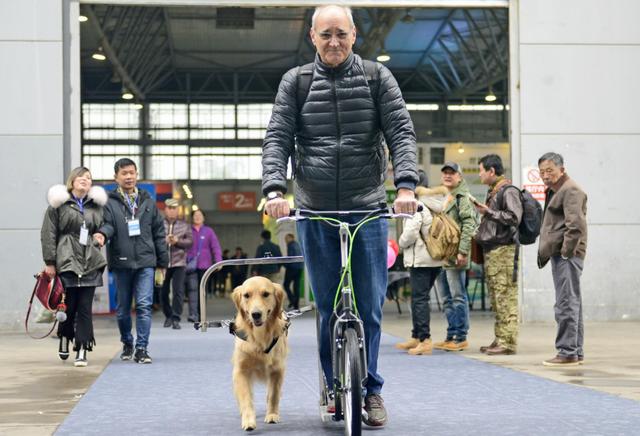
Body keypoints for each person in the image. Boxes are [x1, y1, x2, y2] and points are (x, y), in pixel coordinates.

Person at [261, 5, 418, 427]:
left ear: (354, 35)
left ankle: (372, 390)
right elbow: (277, 137)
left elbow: (401, 132)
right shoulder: (295, 82)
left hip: (367, 205)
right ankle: (333, 384)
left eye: (341, 34)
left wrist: (406, 186)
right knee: (328, 306)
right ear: (312, 37)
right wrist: (274, 189)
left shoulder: (376, 77)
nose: (334, 42)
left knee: (369, 306)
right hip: (315, 209)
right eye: (326, 34)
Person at [94, 158, 168, 364]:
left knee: (144, 305)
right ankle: (127, 342)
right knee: (123, 309)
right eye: (124, 173)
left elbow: (159, 233)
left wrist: (162, 262)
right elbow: (108, 225)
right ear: (116, 177)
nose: (129, 177)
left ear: (137, 175)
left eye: (132, 173)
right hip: (122, 262)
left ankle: (142, 348)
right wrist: (102, 234)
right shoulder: (109, 203)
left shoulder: (148, 201)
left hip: (146, 261)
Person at [40, 167, 108, 367]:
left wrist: (102, 233)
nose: (85, 180)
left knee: (85, 308)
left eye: (89, 178)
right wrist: (50, 262)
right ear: (72, 180)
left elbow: (106, 225)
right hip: (66, 261)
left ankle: (82, 348)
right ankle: (64, 336)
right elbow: (48, 234)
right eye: (81, 176)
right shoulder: (58, 204)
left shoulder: (96, 206)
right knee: (67, 306)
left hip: (90, 261)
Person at [537, 152, 588, 367]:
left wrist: (566, 253)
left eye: (550, 170)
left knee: (566, 303)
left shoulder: (570, 190)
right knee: (571, 302)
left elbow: (575, 226)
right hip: (562, 254)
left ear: (562, 169)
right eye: (542, 172)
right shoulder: (557, 190)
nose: (545, 175)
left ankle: (567, 352)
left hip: (567, 255)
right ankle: (575, 351)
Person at [474, 154, 523, 355]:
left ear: (491, 171)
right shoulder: (494, 191)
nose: (479, 174)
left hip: (504, 250)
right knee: (496, 298)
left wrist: (488, 212)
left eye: (481, 170)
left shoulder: (508, 191)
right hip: (493, 250)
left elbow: (514, 217)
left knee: (505, 296)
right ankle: (500, 338)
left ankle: (508, 342)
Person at [396, 171, 446, 355]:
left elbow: (410, 233)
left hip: (421, 260)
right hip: (434, 258)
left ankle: (424, 339)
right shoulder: (435, 204)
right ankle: (416, 336)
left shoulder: (418, 206)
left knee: (419, 300)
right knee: (420, 298)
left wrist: (400, 243)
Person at [433, 161, 478, 352]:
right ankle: (451, 334)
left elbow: (469, 225)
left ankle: (461, 337)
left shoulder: (462, 197)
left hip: (456, 255)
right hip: (442, 255)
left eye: (452, 173)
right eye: (445, 172)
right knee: (446, 298)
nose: (447, 176)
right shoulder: (442, 196)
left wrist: (463, 251)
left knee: (458, 296)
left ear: (459, 176)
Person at [185, 209, 222, 323]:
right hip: (190, 264)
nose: (197, 217)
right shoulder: (187, 230)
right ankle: (193, 314)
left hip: (205, 265)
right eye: (195, 215)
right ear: (192, 218)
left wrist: (218, 261)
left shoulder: (208, 231)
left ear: (204, 218)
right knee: (192, 289)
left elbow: (215, 246)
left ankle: (201, 314)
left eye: (199, 215)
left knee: (202, 290)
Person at [161, 199, 193, 330]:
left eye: (174, 208)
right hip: (162, 263)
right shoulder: (158, 224)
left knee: (178, 291)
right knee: (162, 291)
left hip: (179, 262)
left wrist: (177, 241)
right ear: (165, 210)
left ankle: (175, 318)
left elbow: (190, 242)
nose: (172, 211)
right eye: (169, 208)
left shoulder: (185, 225)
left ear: (178, 210)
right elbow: (152, 239)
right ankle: (168, 315)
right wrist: (164, 240)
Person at [283, 233, 303, 309]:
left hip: (292, 268)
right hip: (300, 267)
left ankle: (292, 300)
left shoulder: (290, 245)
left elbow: (290, 258)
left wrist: (284, 265)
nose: (285, 240)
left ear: (291, 238)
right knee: (296, 286)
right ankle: (296, 305)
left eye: (286, 238)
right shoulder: (298, 244)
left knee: (286, 285)